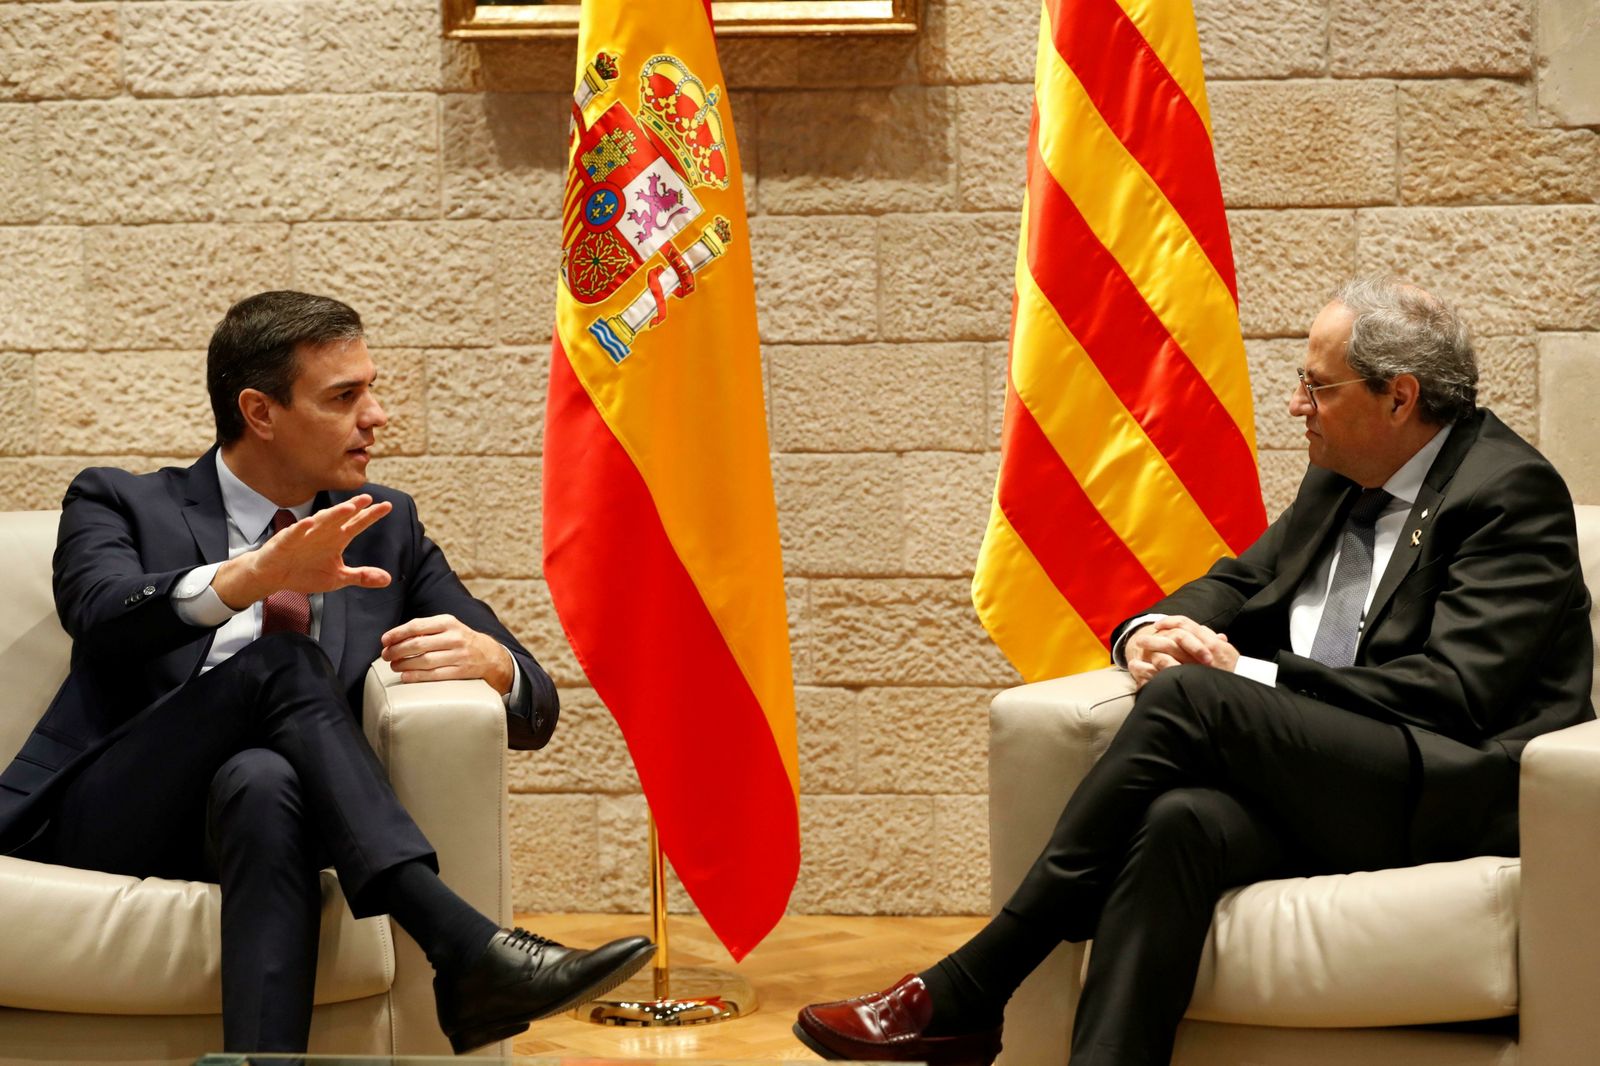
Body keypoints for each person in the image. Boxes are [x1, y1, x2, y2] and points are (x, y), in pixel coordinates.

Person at [794, 277, 1595, 1066]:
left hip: (1447, 788)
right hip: (1333, 782)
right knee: (1177, 820)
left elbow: (1455, 693)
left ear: (1400, 397)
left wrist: (1253, 675)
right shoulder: (1343, 478)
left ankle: (977, 979)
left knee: (1197, 698)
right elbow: (1242, 580)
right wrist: (1150, 629)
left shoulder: (1508, 494)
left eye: (1317, 387)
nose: (1295, 406)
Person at [0, 291, 653, 1054]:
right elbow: (102, 614)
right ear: (260, 411)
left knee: (262, 782)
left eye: (370, 390)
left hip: (267, 822)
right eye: (344, 397)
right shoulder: (120, 499)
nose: (376, 416)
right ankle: (458, 940)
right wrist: (250, 576)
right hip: (113, 816)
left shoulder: (385, 525)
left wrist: (495, 665)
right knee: (281, 661)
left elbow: (536, 709)